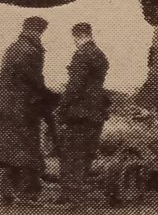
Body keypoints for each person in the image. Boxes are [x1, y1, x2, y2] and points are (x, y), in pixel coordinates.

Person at [0, 16, 53, 206]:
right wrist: (49, 96)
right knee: (29, 151)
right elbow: (34, 79)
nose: (40, 35)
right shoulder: (31, 51)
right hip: (24, 107)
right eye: (40, 32)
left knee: (11, 151)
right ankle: (27, 195)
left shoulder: (12, 48)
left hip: (7, 106)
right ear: (37, 31)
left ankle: (7, 194)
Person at [54, 23, 110, 205]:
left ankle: (71, 196)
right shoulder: (101, 55)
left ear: (76, 36)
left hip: (79, 112)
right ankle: (74, 195)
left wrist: (61, 108)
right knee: (85, 154)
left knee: (71, 153)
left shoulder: (81, 55)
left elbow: (75, 86)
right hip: (96, 112)